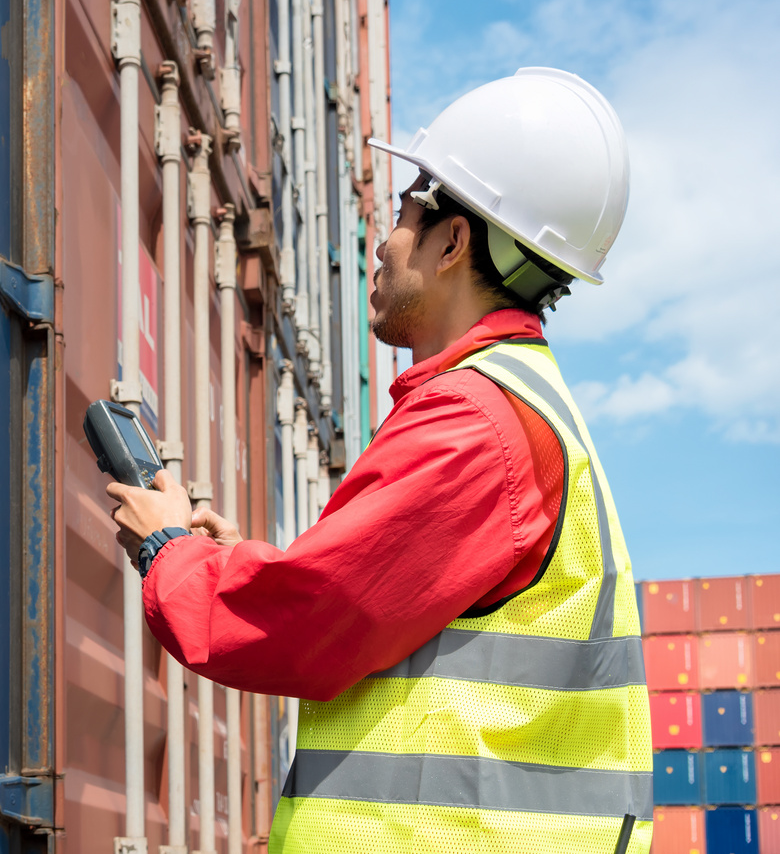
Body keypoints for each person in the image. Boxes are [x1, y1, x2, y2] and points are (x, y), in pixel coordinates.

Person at [106, 68, 653, 853]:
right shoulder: (522, 404)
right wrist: (245, 564)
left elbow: (317, 622)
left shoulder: (474, 422)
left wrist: (170, 552)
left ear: (452, 242)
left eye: (402, 214)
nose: (383, 241)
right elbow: (392, 610)